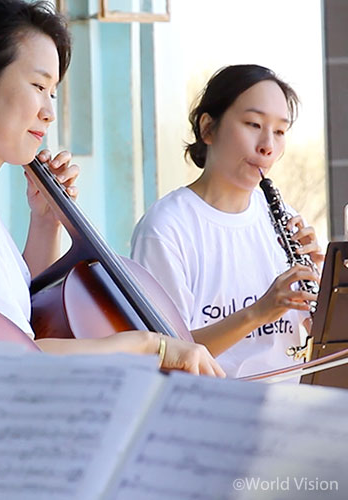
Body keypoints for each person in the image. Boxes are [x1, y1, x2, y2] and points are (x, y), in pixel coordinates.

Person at [0, 0, 224, 377]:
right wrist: (149, 345)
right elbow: (16, 363)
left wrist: (45, 222)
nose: (49, 112)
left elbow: (26, 317)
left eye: (52, 93)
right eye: (38, 86)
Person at [130, 64, 322, 379]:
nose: (267, 146)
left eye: (279, 131)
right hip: (209, 404)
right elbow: (164, 354)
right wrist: (257, 312)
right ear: (208, 128)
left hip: (288, 400)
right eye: (253, 124)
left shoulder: (284, 218)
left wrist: (326, 293)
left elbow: (318, 337)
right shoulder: (166, 228)